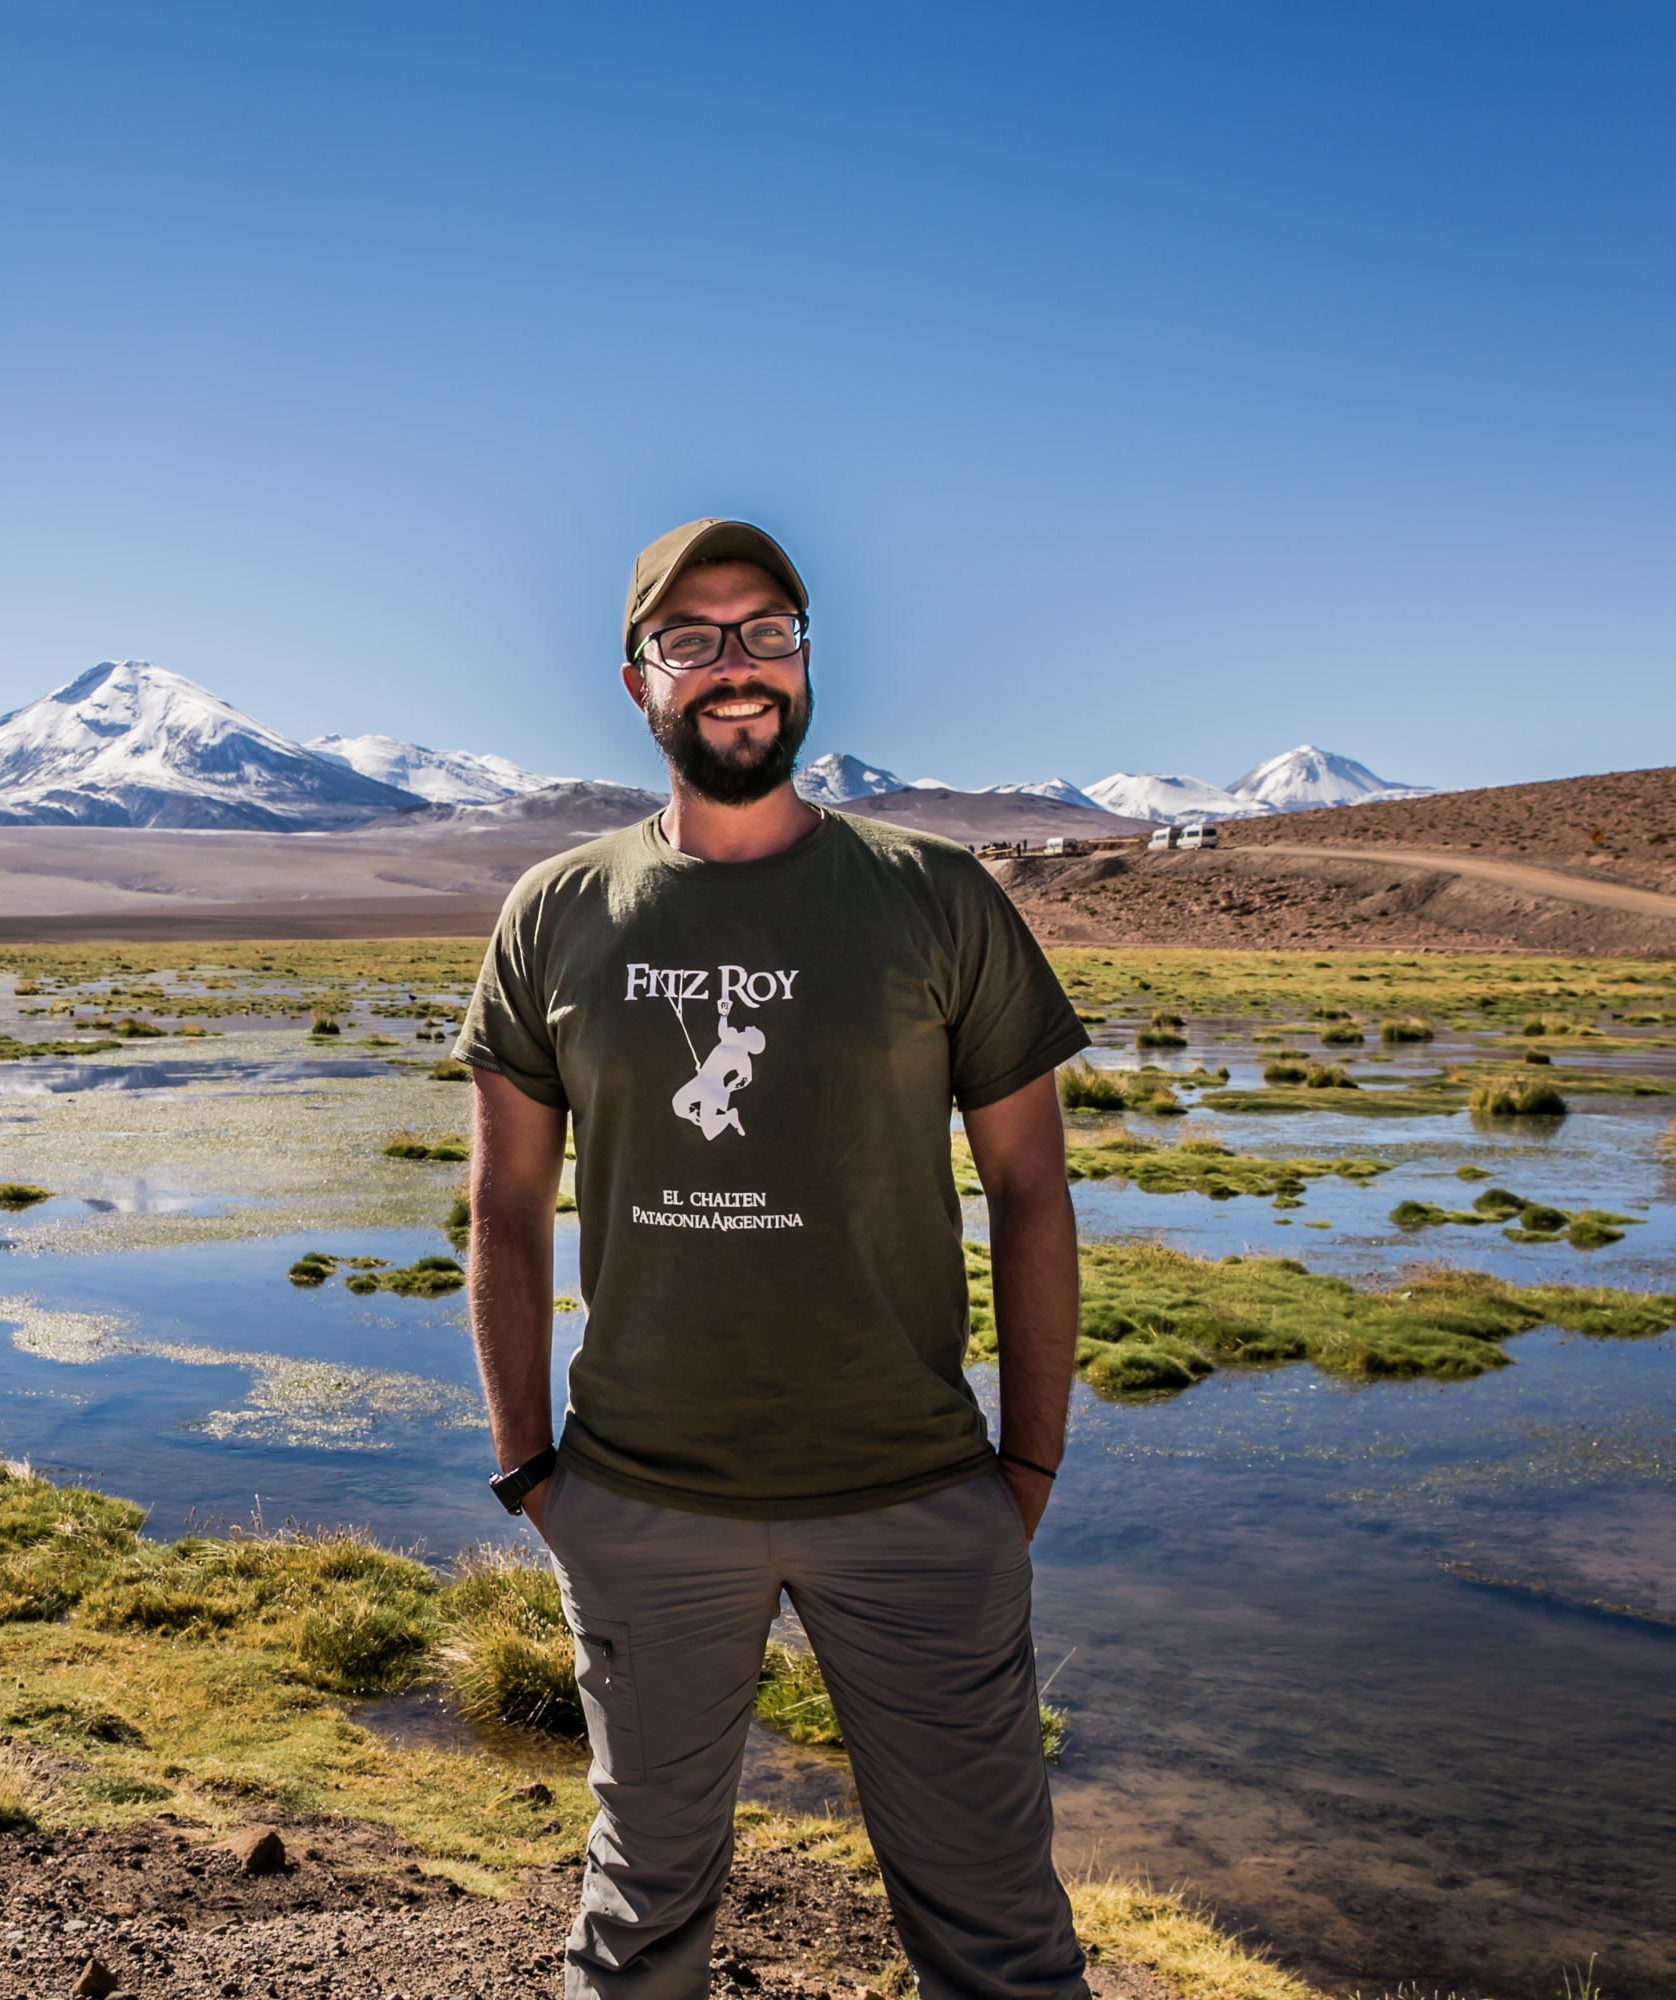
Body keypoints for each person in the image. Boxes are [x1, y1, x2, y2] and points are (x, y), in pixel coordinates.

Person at [453, 518, 1093, 2000]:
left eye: (764, 631)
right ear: (639, 683)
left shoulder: (936, 896)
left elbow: (1032, 1189)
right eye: (693, 641)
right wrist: (533, 1473)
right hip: (640, 1500)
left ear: (806, 660)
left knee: (1000, 1932)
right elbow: (503, 1207)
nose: (734, 668)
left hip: (918, 1500)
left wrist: (1027, 1476)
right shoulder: (554, 912)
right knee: (640, 1923)